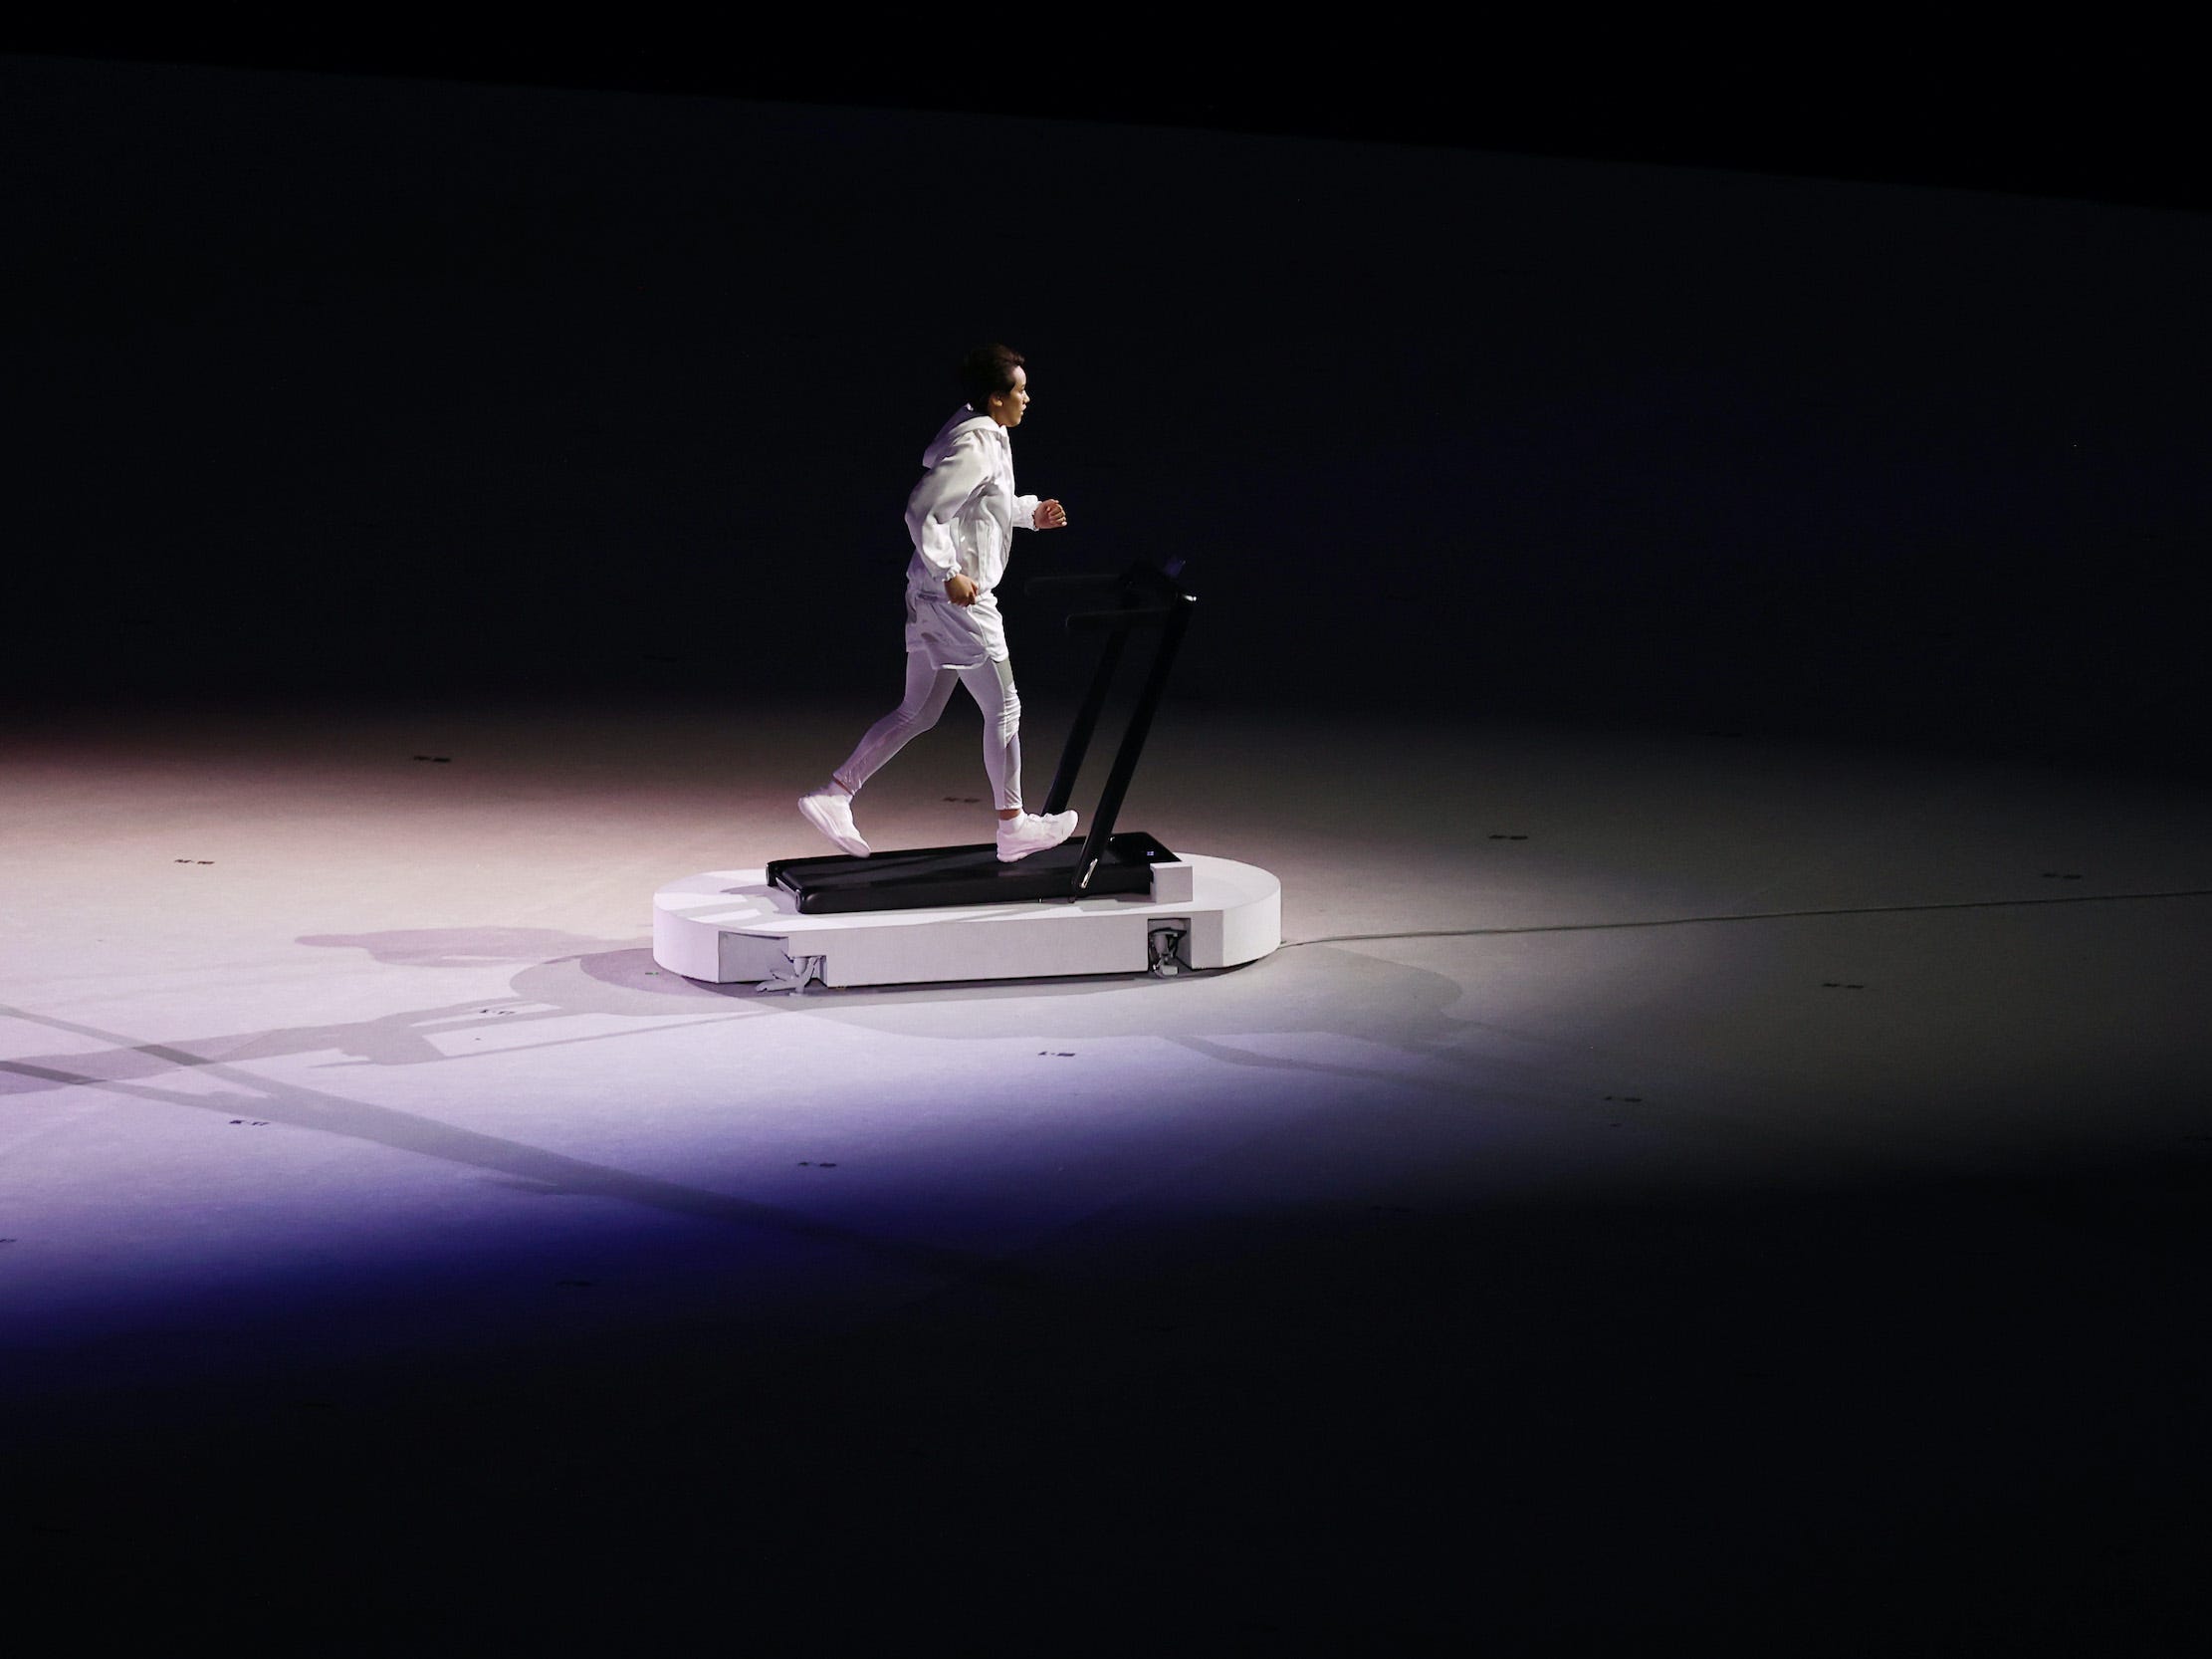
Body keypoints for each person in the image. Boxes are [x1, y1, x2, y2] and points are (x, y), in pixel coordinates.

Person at [797, 344, 1080, 862]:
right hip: (958, 600)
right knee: (1005, 706)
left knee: (918, 711)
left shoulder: (983, 435)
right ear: (997, 398)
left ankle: (834, 794)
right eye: (1019, 390)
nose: (1027, 398)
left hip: (927, 596)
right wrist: (949, 572)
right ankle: (1013, 826)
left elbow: (981, 507)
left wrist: (1029, 513)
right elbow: (922, 510)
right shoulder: (975, 445)